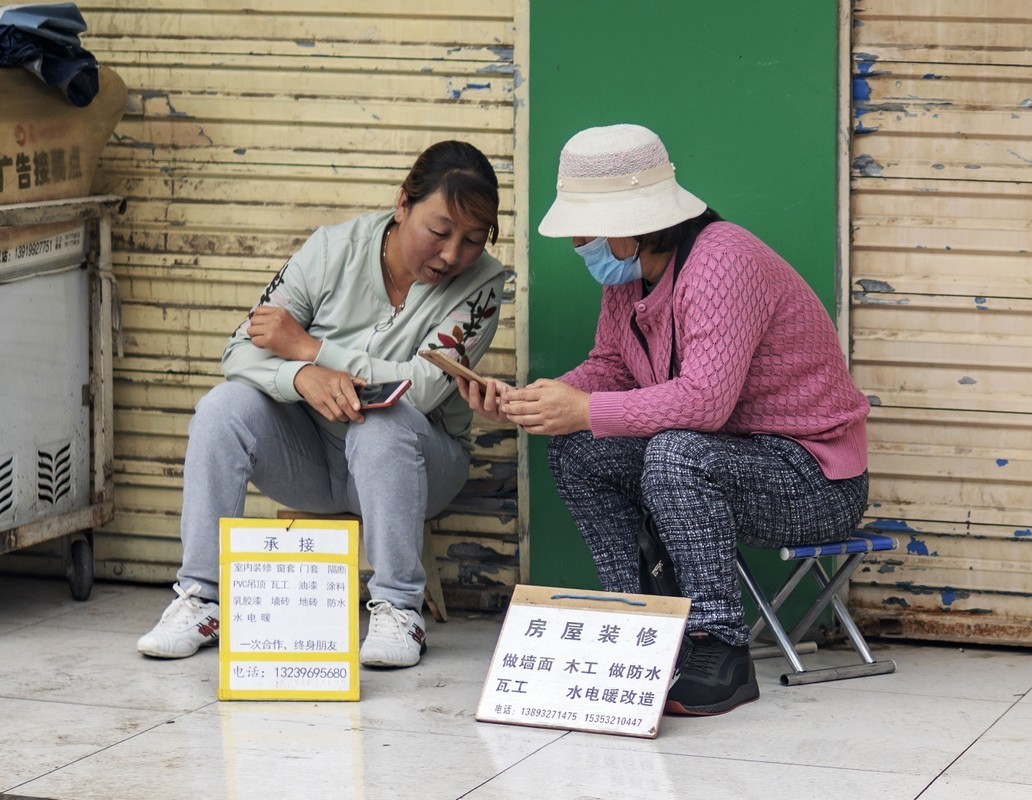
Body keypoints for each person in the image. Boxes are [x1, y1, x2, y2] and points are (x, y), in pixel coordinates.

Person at [461, 124, 870, 715]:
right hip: (723, 461)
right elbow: (609, 366)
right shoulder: (632, 277)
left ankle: (718, 646)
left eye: (587, 229)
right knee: (577, 448)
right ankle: (642, 627)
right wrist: (538, 401)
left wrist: (585, 409)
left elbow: (706, 401)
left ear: (633, 226)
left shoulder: (722, 262)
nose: (579, 243)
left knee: (674, 451)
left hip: (814, 479)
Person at [137, 140, 507, 668]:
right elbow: (239, 350)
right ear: (403, 204)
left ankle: (400, 609)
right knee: (223, 408)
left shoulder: (483, 289)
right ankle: (201, 599)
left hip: (419, 463)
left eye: (472, 240)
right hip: (310, 456)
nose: (452, 255)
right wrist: (301, 375)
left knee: (387, 420)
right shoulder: (331, 251)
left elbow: (422, 387)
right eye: (439, 231)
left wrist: (313, 349)